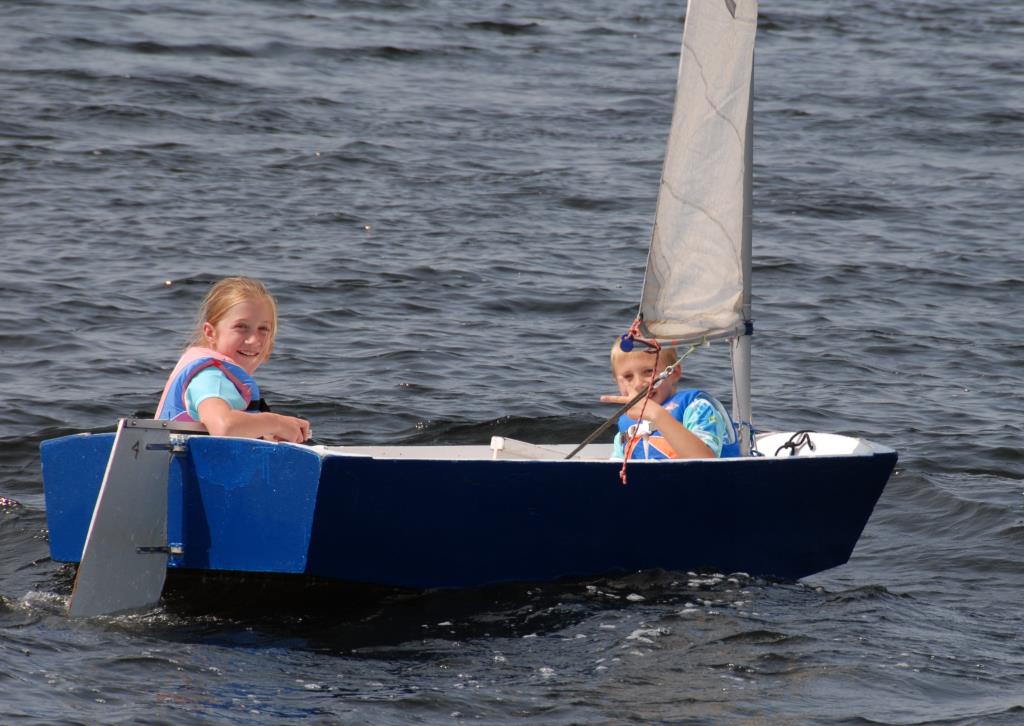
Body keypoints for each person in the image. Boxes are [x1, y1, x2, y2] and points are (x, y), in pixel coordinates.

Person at [156, 277, 311, 444]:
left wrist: (265, 433)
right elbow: (224, 427)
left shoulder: (221, 378)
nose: (253, 340)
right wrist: (275, 423)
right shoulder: (211, 379)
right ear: (210, 333)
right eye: (241, 327)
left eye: (263, 329)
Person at [601, 340, 740, 460]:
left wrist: (658, 416)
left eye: (649, 371)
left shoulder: (697, 408)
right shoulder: (625, 427)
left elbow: (705, 462)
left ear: (674, 373)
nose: (638, 384)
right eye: (628, 376)